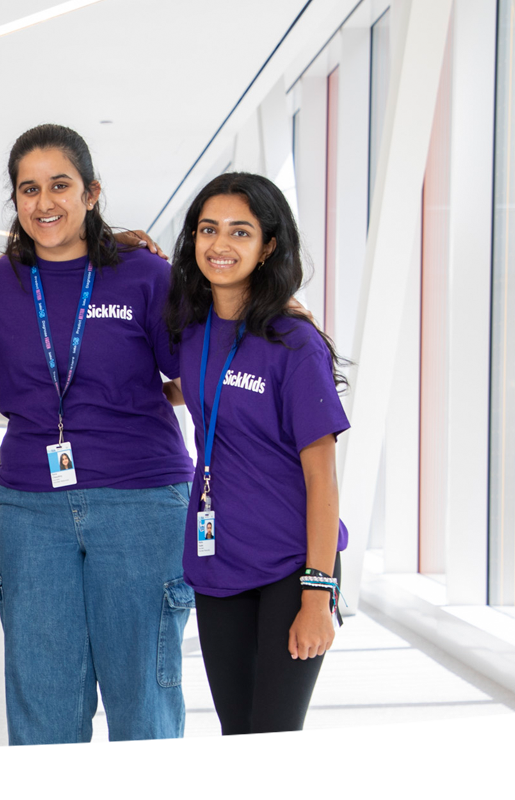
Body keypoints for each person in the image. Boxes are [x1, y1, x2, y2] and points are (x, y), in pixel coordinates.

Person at [0, 124, 196, 746]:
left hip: (142, 501)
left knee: (144, 703)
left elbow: (194, 372)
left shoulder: (144, 274)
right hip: (33, 511)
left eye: (60, 184)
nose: (44, 202)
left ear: (92, 192)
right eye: (28, 189)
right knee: (44, 706)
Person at [162, 171, 350, 747]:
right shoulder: (190, 333)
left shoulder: (293, 342)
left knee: (272, 740)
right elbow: (188, 389)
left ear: (268, 246)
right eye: (208, 230)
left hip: (292, 567)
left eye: (240, 232)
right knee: (236, 737)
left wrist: (318, 593)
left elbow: (322, 480)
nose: (221, 245)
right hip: (220, 567)